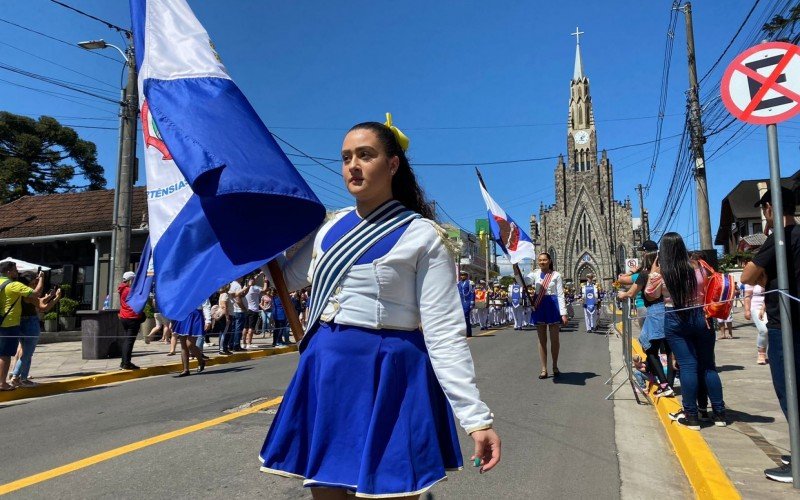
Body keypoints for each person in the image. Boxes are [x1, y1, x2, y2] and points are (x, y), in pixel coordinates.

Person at [259, 118, 500, 498]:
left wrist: (475, 418)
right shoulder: (329, 227)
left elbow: (443, 333)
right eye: (345, 157)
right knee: (327, 490)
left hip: (392, 376)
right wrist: (260, 233)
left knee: (389, 491)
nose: (352, 165)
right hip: (328, 371)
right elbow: (285, 283)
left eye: (365, 155)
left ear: (392, 165)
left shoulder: (422, 235)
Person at [741, 186, 800, 483]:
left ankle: (799, 464)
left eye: (764, 210)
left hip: (783, 323)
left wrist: (763, 270)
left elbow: (747, 276)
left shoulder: (776, 239)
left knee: (789, 392)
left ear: (770, 209)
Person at [645, 232, 726, 430]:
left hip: (675, 317)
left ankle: (690, 415)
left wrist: (654, 271)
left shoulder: (664, 272)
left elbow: (650, 294)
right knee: (708, 365)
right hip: (701, 316)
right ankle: (719, 413)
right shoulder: (698, 266)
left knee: (688, 365)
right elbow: (710, 284)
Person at [9, 272, 59, 388]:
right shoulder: (28, 294)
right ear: (28, 283)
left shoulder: (17, 293)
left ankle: (24, 378)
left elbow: (39, 301)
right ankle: (16, 377)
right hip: (29, 323)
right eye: (33, 283)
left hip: (19, 322)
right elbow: (42, 306)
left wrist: (50, 297)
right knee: (27, 353)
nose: (35, 285)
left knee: (26, 352)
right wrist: (55, 297)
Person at [0, 263, 44, 391]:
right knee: (5, 355)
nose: (17, 272)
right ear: (8, 272)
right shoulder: (14, 285)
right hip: (9, 323)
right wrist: (41, 278)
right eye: (14, 270)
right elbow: (36, 293)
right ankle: (3, 383)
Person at [527, 253, 568, 379]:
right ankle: (544, 368)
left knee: (554, 339)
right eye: (540, 260)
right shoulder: (534, 273)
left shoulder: (556, 275)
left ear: (550, 261)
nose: (542, 262)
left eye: (544, 260)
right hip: (539, 305)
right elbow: (524, 281)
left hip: (552, 305)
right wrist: (515, 269)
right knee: (541, 339)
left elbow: (560, 294)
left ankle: (554, 365)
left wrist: (564, 313)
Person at [171, 299, 210, 377]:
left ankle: (201, 361)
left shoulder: (201, 291)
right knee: (183, 344)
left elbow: (206, 306)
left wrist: (208, 320)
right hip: (183, 315)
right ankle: (185, 369)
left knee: (190, 344)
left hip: (195, 316)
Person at [118, 271, 145, 370]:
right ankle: (126, 363)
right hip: (132, 317)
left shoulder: (122, 289)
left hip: (124, 316)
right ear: (131, 280)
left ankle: (124, 362)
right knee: (129, 341)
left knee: (127, 340)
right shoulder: (129, 290)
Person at [744, 282, 768, 365]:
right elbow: (747, 296)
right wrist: (747, 310)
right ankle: (761, 353)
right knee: (763, 330)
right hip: (756, 307)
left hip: (770, 305)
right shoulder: (752, 279)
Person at [244, 273, 264, 349]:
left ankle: (244, 343)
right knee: (251, 328)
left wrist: (259, 274)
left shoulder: (245, 287)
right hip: (254, 310)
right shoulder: (255, 288)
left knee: (245, 327)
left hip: (247, 309)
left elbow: (253, 279)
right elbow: (265, 289)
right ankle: (249, 343)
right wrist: (265, 281)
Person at [227, 277, 248, 351]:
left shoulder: (232, 284)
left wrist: (247, 287)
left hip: (234, 310)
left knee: (233, 329)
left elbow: (242, 295)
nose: (242, 277)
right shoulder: (237, 285)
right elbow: (238, 298)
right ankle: (236, 346)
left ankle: (231, 345)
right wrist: (243, 308)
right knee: (238, 329)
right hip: (239, 310)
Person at [457, 271, 475, 337]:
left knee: (466, 316)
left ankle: (468, 332)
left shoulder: (470, 283)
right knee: (461, 318)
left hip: (467, 302)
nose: (462, 276)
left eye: (463, 275)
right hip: (461, 302)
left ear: (466, 276)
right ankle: (464, 332)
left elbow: (472, 292)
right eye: (461, 275)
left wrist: (472, 302)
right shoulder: (458, 283)